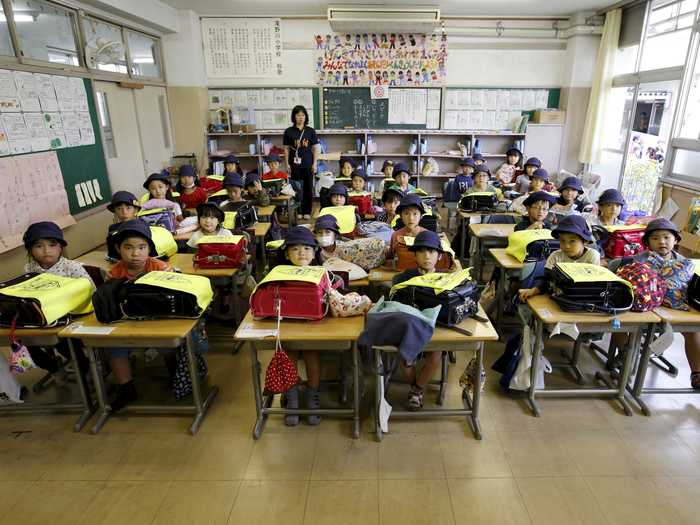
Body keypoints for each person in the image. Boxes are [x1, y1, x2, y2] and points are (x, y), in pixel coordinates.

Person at [607, 218, 700, 389]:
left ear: (676, 240)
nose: (661, 242)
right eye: (655, 238)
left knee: (693, 330)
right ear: (647, 242)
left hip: (674, 308)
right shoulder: (636, 261)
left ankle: (697, 373)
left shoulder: (686, 264)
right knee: (623, 321)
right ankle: (624, 355)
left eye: (666, 237)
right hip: (641, 309)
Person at [104, 219, 173, 410]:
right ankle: (126, 388)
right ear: (118, 248)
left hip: (160, 321)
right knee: (115, 346)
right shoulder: (114, 273)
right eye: (128, 247)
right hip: (127, 321)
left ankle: (176, 373)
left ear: (149, 249)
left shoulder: (161, 268)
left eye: (142, 247)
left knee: (170, 345)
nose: (135, 253)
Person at [20, 222, 94, 375]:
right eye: (39, 246)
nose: (46, 251)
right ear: (30, 250)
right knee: (25, 342)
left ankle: (85, 370)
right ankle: (53, 368)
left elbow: (91, 291)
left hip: (72, 318)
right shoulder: (29, 269)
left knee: (64, 343)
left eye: (52, 245)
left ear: (61, 247)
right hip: (43, 318)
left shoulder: (72, 267)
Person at [391, 230, 453, 410]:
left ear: (439, 255)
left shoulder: (446, 279)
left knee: (436, 354)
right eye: (422, 251)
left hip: (437, 329)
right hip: (410, 328)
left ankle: (416, 390)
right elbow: (394, 305)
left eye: (432, 252)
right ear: (415, 254)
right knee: (405, 358)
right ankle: (415, 387)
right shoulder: (403, 278)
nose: (427, 256)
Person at [276, 226, 324, 425]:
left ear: (314, 253)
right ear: (287, 254)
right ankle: (292, 397)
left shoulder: (321, 273)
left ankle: (312, 396)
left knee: (312, 353)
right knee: (290, 355)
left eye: (306, 248)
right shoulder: (278, 274)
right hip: (288, 325)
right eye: (295, 249)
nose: (302, 252)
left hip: (314, 325)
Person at [518, 214, 600, 301]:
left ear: (585, 241)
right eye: (562, 240)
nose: (566, 246)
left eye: (572, 241)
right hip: (559, 299)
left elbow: (592, 283)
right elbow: (546, 279)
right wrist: (534, 290)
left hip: (582, 300)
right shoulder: (555, 256)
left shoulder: (592, 256)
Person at [283, 105, 319, 220]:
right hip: (294, 165)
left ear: (306, 117)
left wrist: (315, 163)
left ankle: (307, 211)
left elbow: (315, 148)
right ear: (294, 117)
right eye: (298, 115)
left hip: (308, 164)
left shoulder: (310, 131)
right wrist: (287, 164)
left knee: (308, 188)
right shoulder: (289, 131)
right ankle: (298, 210)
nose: (301, 117)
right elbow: (286, 149)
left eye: (303, 115)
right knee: (296, 188)